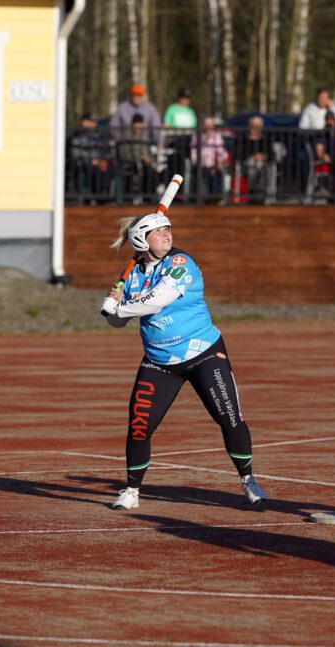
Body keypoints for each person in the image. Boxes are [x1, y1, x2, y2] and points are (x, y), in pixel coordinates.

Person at [100, 211, 266, 510]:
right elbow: (117, 323)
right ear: (141, 239)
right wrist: (113, 308)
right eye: (159, 231)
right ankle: (131, 490)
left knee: (229, 418)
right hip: (159, 361)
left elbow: (159, 298)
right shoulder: (133, 274)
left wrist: (120, 307)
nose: (168, 234)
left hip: (203, 352)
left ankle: (248, 479)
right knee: (139, 426)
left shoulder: (180, 263)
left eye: (168, 229)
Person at [68, 112, 112, 197]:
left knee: (111, 167)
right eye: (92, 121)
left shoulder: (99, 135)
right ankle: (91, 196)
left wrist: (103, 160)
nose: (95, 124)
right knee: (91, 169)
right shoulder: (76, 135)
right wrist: (90, 160)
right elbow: (75, 154)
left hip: (98, 162)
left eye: (95, 122)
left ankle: (106, 195)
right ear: (84, 122)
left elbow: (104, 151)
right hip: (83, 163)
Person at [234, 115, 274, 203]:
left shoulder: (266, 139)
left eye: (258, 126)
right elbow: (238, 154)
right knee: (252, 169)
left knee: (263, 169)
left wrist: (264, 156)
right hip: (248, 164)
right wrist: (252, 156)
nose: (255, 128)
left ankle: (260, 195)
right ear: (249, 126)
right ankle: (252, 193)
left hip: (263, 164)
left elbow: (272, 155)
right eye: (253, 126)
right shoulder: (243, 139)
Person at [190, 116, 227, 198]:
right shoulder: (196, 136)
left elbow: (220, 151)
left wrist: (219, 161)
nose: (208, 126)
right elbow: (193, 151)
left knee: (215, 174)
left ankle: (216, 197)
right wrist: (195, 162)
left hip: (214, 164)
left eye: (210, 124)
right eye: (206, 124)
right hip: (201, 164)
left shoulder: (216, 136)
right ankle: (202, 197)